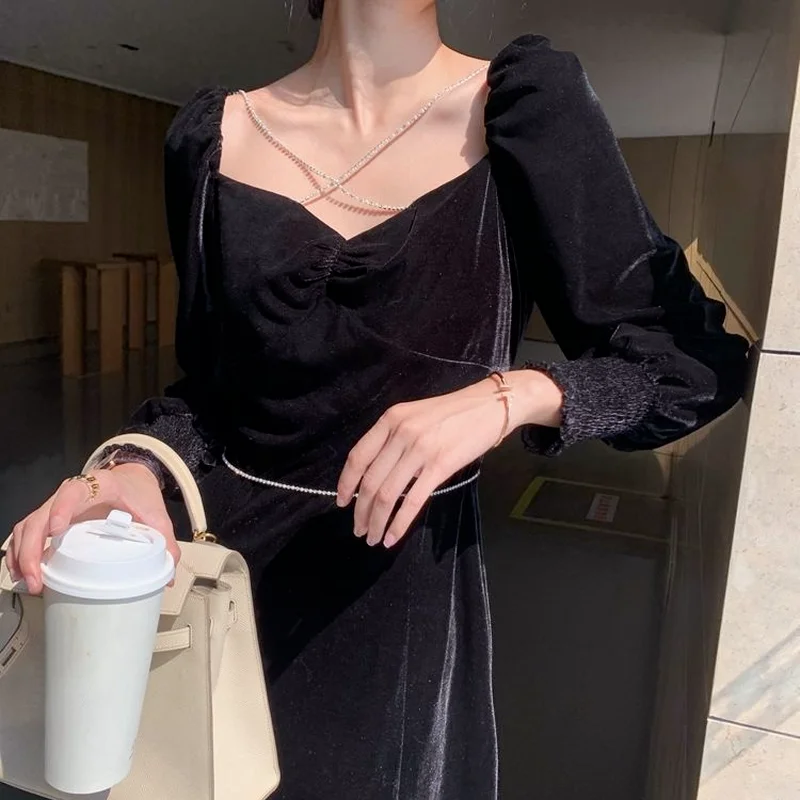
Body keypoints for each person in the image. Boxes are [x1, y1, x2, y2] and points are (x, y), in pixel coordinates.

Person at [9, 0, 749, 797]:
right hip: (222, 587)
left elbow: (693, 363)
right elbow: (211, 394)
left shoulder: (526, 108)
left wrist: (514, 394)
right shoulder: (211, 136)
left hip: (402, 610)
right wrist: (133, 465)